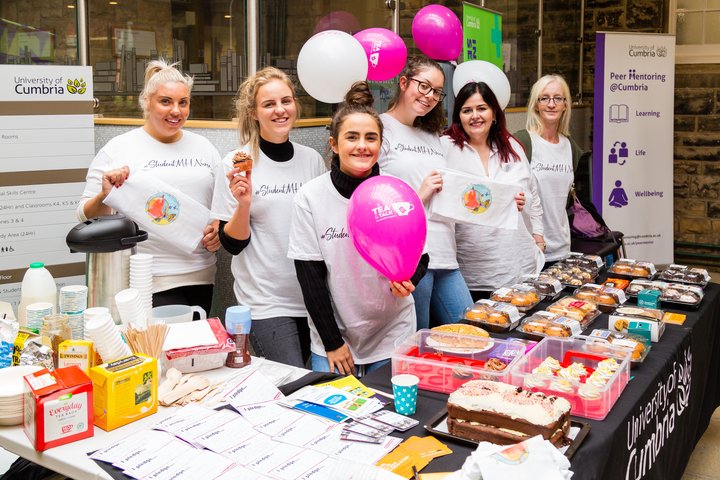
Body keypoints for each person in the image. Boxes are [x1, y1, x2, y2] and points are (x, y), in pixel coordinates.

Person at [288, 82, 428, 376]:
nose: (362, 146)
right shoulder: (311, 197)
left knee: (391, 415)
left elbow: (422, 255)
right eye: (352, 137)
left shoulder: (396, 191)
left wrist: (409, 278)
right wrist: (332, 343)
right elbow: (310, 278)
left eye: (371, 138)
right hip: (334, 335)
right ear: (334, 145)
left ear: (380, 144)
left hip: (393, 331)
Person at [77, 59, 222, 314]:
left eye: (183, 102)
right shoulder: (119, 149)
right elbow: (85, 215)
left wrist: (219, 229)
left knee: (191, 350)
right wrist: (106, 194)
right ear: (146, 102)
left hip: (200, 273)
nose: (176, 111)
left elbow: (221, 206)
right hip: (147, 278)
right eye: (165, 101)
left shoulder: (205, 148)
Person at [211, 67, 326, 368]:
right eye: (269, 104)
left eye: (285, 101)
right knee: (294, 382)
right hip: (266, 303)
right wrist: (244, 204)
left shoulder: (311, 159)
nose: (280, 110)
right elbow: (233, 245)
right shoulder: (238, 162)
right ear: (254, 113)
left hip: (312, 298)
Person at [379, 55, 473, 329]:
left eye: (437, 92)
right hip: (412, 256)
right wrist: (417, 196)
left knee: (471, 334)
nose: (430, 96)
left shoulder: (433, 135)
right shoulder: (380, 129)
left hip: (446, 251)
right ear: (404, 82)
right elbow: (376, 201)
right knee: (416, 341)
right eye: (424, 86)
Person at [444, 81, 544, 299]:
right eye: (467, 110)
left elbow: (533, 195)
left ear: (494, 113)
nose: (475, 116)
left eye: (482, 108)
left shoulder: (513, 147)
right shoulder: (445, 148)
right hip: (471, 270)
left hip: (518, 264)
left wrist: (539, 238)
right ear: (458, 116)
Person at [514, 74, 585, 264]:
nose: (551, 104)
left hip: (562, 247)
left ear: (565, 105)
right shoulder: (522, 142)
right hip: (530, 247)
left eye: (558, 98)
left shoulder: (570, 146)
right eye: (544, 98)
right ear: (536, 104)